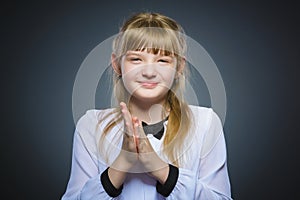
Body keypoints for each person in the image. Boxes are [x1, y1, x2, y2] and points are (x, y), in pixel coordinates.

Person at [62, 12, 232, 199]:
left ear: (179, 68)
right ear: (117, 64)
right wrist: (121, 164)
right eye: (136, 59)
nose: (149, 72)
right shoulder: (91, 125)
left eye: (163, 60)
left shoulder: (205, 123)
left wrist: (162, 170)